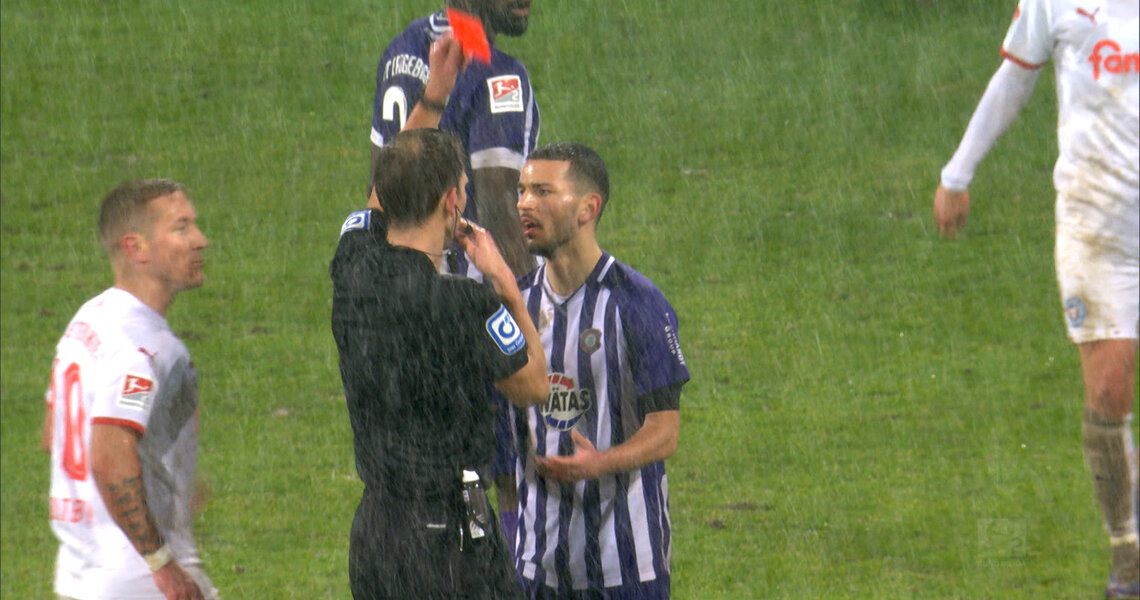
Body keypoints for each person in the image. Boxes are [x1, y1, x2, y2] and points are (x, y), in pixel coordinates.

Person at [933, 1, 1138, 596]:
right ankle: (1129, 559)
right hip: (1095, 225)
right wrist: (958, 173)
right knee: (1109, 389)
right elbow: (1016, 76)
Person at [330, 128, 548, 600]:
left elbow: (379, 197)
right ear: (452, 201)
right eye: (463, 189)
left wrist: (431, 99)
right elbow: (534, 383)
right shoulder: (463, 305)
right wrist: (505, 282)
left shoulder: (352, 265)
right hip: (448, 535)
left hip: (376, 531)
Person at [506, 142, 690, 599]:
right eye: (522, 190)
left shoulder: (638, 304)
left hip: (625, 564)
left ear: (588, 207)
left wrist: (599, 464)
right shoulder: (514, 306)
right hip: (536, 565)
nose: (525, 203)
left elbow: (665, 431)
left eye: (543, 191)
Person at [40, 179, 218, 600]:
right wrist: (161, 564)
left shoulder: (88, 320)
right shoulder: (144, 349)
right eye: (181, 228)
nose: (200, 240)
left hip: (81, 570)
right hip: (138, 577)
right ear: (136, 248)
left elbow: (53, 434)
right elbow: (109, 459)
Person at [369, 0, 540, 279]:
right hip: (461, 291)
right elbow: (501, 216)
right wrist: (525, 300)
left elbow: (377, 185)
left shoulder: (401, 49)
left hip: (395, 279)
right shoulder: (497, 73)